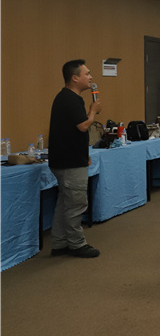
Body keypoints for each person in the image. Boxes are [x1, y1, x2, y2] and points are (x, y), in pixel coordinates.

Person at [48, 59, 102, 258]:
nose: (91, 77)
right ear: (75, 78)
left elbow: (73, 132)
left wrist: (84, 155)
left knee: (65, 202)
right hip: (69, 163)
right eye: (87, 74)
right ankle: (77, 244)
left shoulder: (66, 98)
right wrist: (93, 111)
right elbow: (83, 126)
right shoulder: (70, 99)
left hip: (67, 159)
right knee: (75, 205)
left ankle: (60, 243)